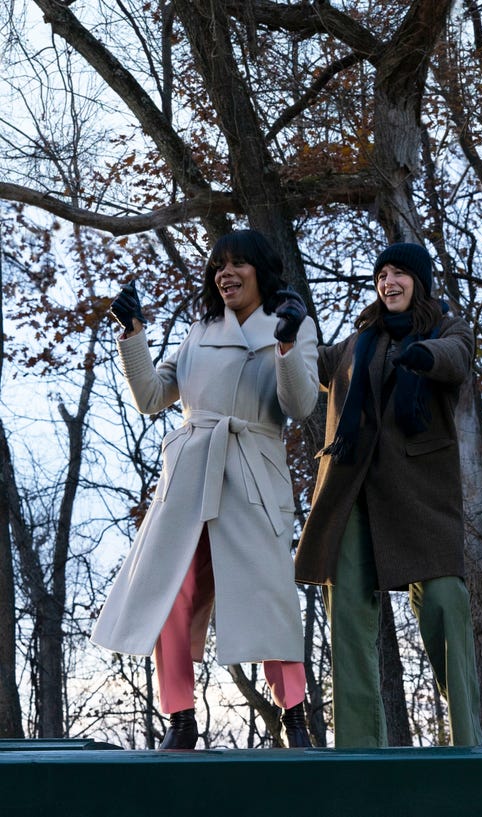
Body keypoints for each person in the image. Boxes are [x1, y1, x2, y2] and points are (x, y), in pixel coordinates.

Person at [92, 229, 319, 750]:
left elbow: (301, 406)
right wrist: (132, 334)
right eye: (219, 264)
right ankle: (181, 719)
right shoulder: (200, 330)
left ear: (262, 271)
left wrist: (285, 344)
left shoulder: (291, 326)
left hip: (252, 474)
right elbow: (152, 396)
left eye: (238, 263)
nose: (226, 273)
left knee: (269, 597)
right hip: (191, 474)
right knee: (171, 594)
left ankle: (295, 717)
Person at [294, 242, 482, 748]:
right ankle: (358, 752)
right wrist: (290, 332)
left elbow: (457, 357)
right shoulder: (359, 342)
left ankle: (468, 745)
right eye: (381, 274)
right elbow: (307, 369)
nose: (388, 282)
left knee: (446, 601)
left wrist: (424, 354)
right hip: (351, 492)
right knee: (349, 619)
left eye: (399, 273)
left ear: (418, 281)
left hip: (422, 493)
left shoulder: (448, 328)